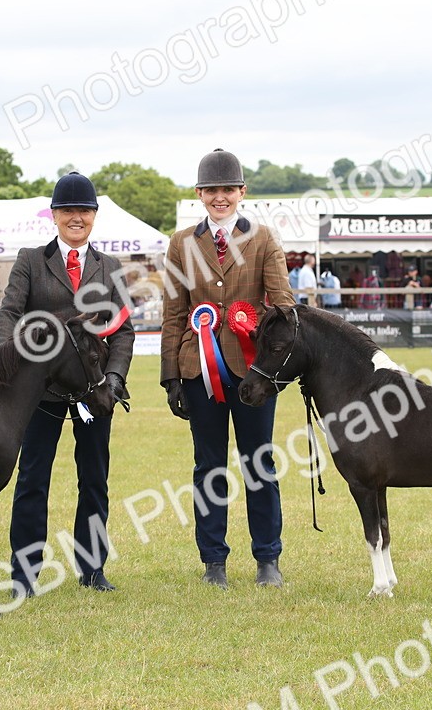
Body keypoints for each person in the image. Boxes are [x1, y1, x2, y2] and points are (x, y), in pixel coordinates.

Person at [160, 148, 295, 590]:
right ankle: (213, 560)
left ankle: (267, 558)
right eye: (212, 190)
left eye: (228, 190)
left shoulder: (263, 238)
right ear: (200, 193)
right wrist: (170, 376)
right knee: (209, 466)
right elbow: (174, 314)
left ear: (242, 192)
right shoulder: (182, 243)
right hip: (198, 368)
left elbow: (283, 306)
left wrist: (275, 360)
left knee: (259, 463)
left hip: (253, 369)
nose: (220, 197)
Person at [0, 171, 134, 595]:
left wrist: (113, 379)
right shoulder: (31, 260)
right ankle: (25, 573)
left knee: (94, 479)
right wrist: (6, 362)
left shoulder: (110, 267)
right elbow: (8, 314)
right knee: (33, 478)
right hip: (42, 392)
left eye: (84, 211)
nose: (77, 218)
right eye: (68, 211)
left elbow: (125, 331)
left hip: (95, 390)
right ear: (54, 215)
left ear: (94, 216)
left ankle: (92, 569)